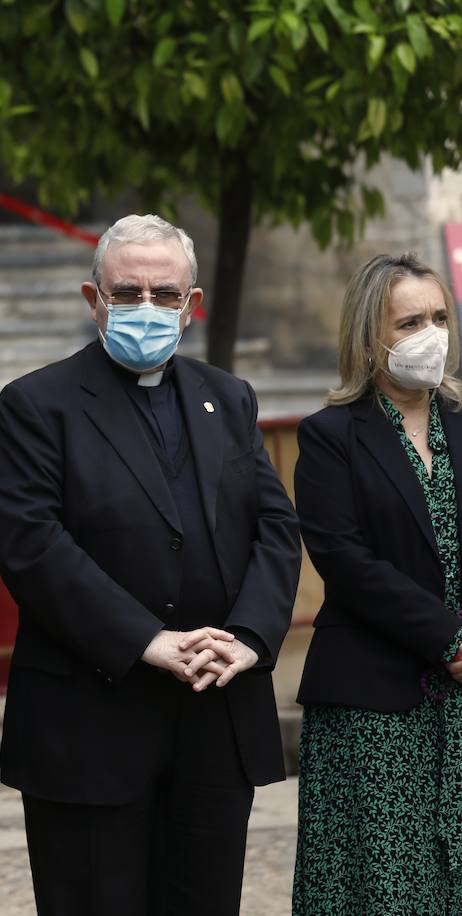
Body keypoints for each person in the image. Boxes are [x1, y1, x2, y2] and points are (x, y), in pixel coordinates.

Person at [0, 214, 301, 916]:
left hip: (214, 720)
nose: (147, 307)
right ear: (92, 298)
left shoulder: (230, 397)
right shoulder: (38, 404)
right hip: (90, 723)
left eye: (166, 294)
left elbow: (276, 529)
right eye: (127, 291)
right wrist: (146, 641)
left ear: (193, 305)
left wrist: (249, 639)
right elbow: (32, 545)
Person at [293, 253, 462, 913]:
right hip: (374, 700)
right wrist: (449, 641)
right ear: (370, 338)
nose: (431, 333)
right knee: (382, 886)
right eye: (410, 320)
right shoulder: (332, 435)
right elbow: (344, 557)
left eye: (439, 317)